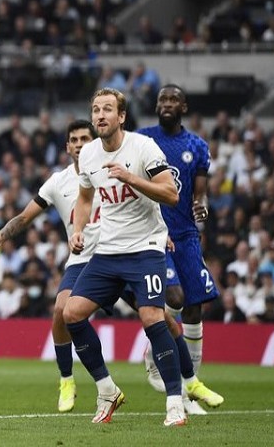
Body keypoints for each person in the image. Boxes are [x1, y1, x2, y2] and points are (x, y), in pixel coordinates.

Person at [64, 87, 189, 427]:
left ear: (121, 117)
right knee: (71, 313)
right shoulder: (88, 155)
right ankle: (107, 390)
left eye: (107, 109)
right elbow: (85, 198)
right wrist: (78, 230)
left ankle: (175, 402)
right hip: (107, 251)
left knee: (152, 317)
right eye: (95, 110)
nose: (100, 115)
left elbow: (171, 194)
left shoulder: (143, 147)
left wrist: (132, 177)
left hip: (145, 248)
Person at [0, 120, 98, 412]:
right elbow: (25, 217)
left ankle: (187, 382)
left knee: (160, 314)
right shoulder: (57, 181)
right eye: (73, 139)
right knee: (60, 310)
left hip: (120, 254)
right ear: (67, 147)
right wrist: (1, 235)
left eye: (85, 138)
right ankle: (66, 380)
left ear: (94, 142)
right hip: (82, 258)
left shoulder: (113, 171)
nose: (79, 143)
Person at [137, 85, 220, 399]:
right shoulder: (142, 140)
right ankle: (154, 349)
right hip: (155, 234)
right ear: (157, 106)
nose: (167, 104)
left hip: (186, 235)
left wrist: (203, 205)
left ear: (183, 106)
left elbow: (200, 192)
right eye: (162, 100)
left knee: (194, 308)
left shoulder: (196, 145)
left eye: (173, 99)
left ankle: (191, 386)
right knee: (173, 295)